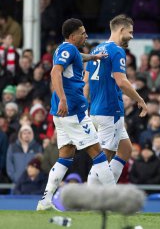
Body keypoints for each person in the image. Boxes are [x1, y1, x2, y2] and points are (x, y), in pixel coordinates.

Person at [37, 18, 115, 211]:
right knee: (98, 154)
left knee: (65, 156)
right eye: (83, 33)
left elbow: (78, 57)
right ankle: (116, 201)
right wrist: (63, 98)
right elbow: (55, 73)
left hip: (61, 114)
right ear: (72, 36)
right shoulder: (69, 50)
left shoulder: (65, 49)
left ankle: (45, 200)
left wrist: (94, 58)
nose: (86, 35)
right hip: (73, 110)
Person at [84, 15, 148, 185]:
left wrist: (86, 107)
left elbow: (86, 83)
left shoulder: (95, 50)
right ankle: (92, 197)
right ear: (121, 30)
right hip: (110, 111)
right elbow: (122, 82)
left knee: (125, 150)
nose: (132, 36)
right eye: (131, 32)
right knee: (104, 157)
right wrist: (140, 100)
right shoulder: (117, 50)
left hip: (96, 110)